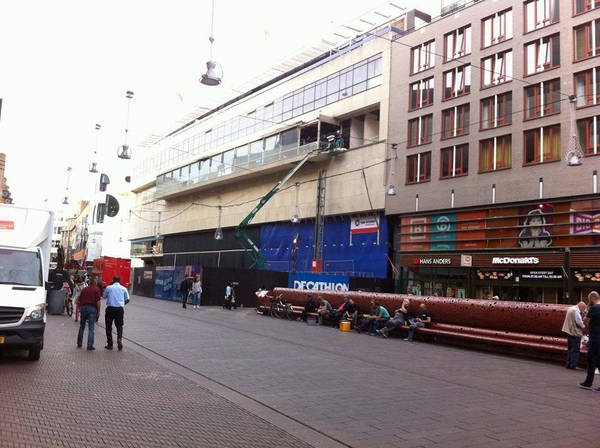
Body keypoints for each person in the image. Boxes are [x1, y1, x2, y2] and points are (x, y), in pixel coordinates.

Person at [102, 275, 130, 351]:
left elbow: (104, 296)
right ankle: (119, 338)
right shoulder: (123, 288)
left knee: (108, 326)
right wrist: (122, 303)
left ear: (113, 280)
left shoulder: (108, 288)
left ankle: (110, 344)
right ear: (120, 281)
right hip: (119, 309)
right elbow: (128, 299)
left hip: (110, 308)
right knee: (119, 326)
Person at [579, 291, 600, 391]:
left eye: (589, 300)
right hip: (596, 337)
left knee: (597, 360)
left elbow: (585, 322)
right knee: (590, 358)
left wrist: (586, 311)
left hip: (595, 337)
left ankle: (589, 382)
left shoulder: (595, 308)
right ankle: (588, 381)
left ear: (592, 298)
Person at [76, 277, 102, 350]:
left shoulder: (84, 289)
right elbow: (98, 301)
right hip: (92, 308)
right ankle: (89, 345)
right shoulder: (97, 289)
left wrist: (80, 308)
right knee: (91, 327)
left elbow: (79, 300)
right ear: (95, 282)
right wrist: (98, 311)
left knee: (82, 326)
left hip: (84, 308)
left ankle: (79, 342)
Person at [562, 301, 586, 370]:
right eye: (583, 309)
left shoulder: (570, 308)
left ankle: (568, 363)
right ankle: (574, 365)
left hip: (568, 331)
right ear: (581, 306)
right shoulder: (576, 311)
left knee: (570, 348)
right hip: (574, 332)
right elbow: (579, 321)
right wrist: (583, 326)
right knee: (575, 349)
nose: (582, 311)